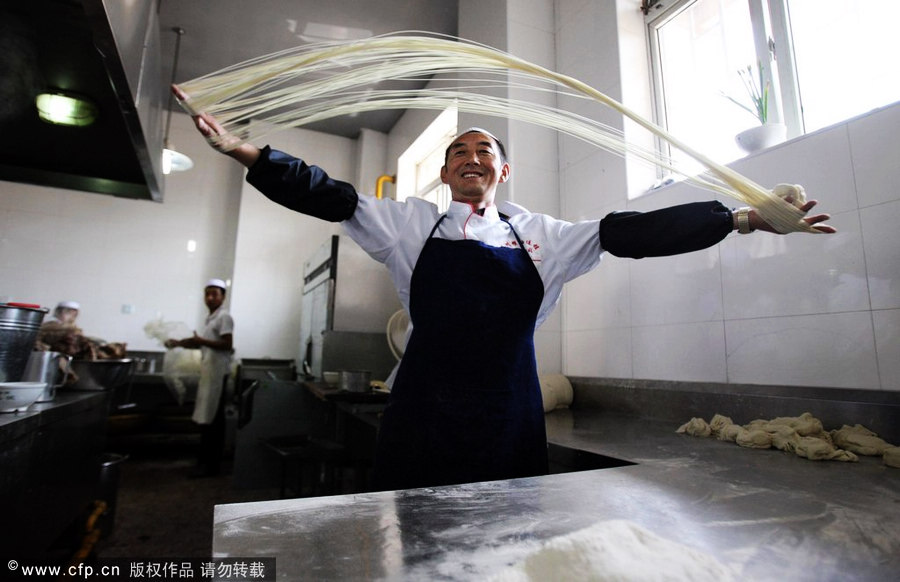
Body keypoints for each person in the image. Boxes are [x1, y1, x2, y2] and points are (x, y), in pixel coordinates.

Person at [172, 85, 833, 491]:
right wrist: (245, 153)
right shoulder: (409, 225)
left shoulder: (545, 235)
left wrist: (741, 217)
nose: (472, 158)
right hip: (420, 422)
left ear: (503, 169)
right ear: (444, 171)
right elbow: (329, 195)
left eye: (484, 150)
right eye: (460, 151)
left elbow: (629, 232)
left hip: (507, 423)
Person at [165, 278, 234, 477]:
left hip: (218, 374)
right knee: (206, 419)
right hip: (209, 374)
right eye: (208, 294)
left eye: (215, 294)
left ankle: (212, 467)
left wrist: (200, 340)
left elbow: (227, 345)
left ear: (223, 297)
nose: (210, 298)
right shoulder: (210, 319)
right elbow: (203, 344)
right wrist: (178, 343)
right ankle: (204, 462)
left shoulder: (224, 317)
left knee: (214, 420)